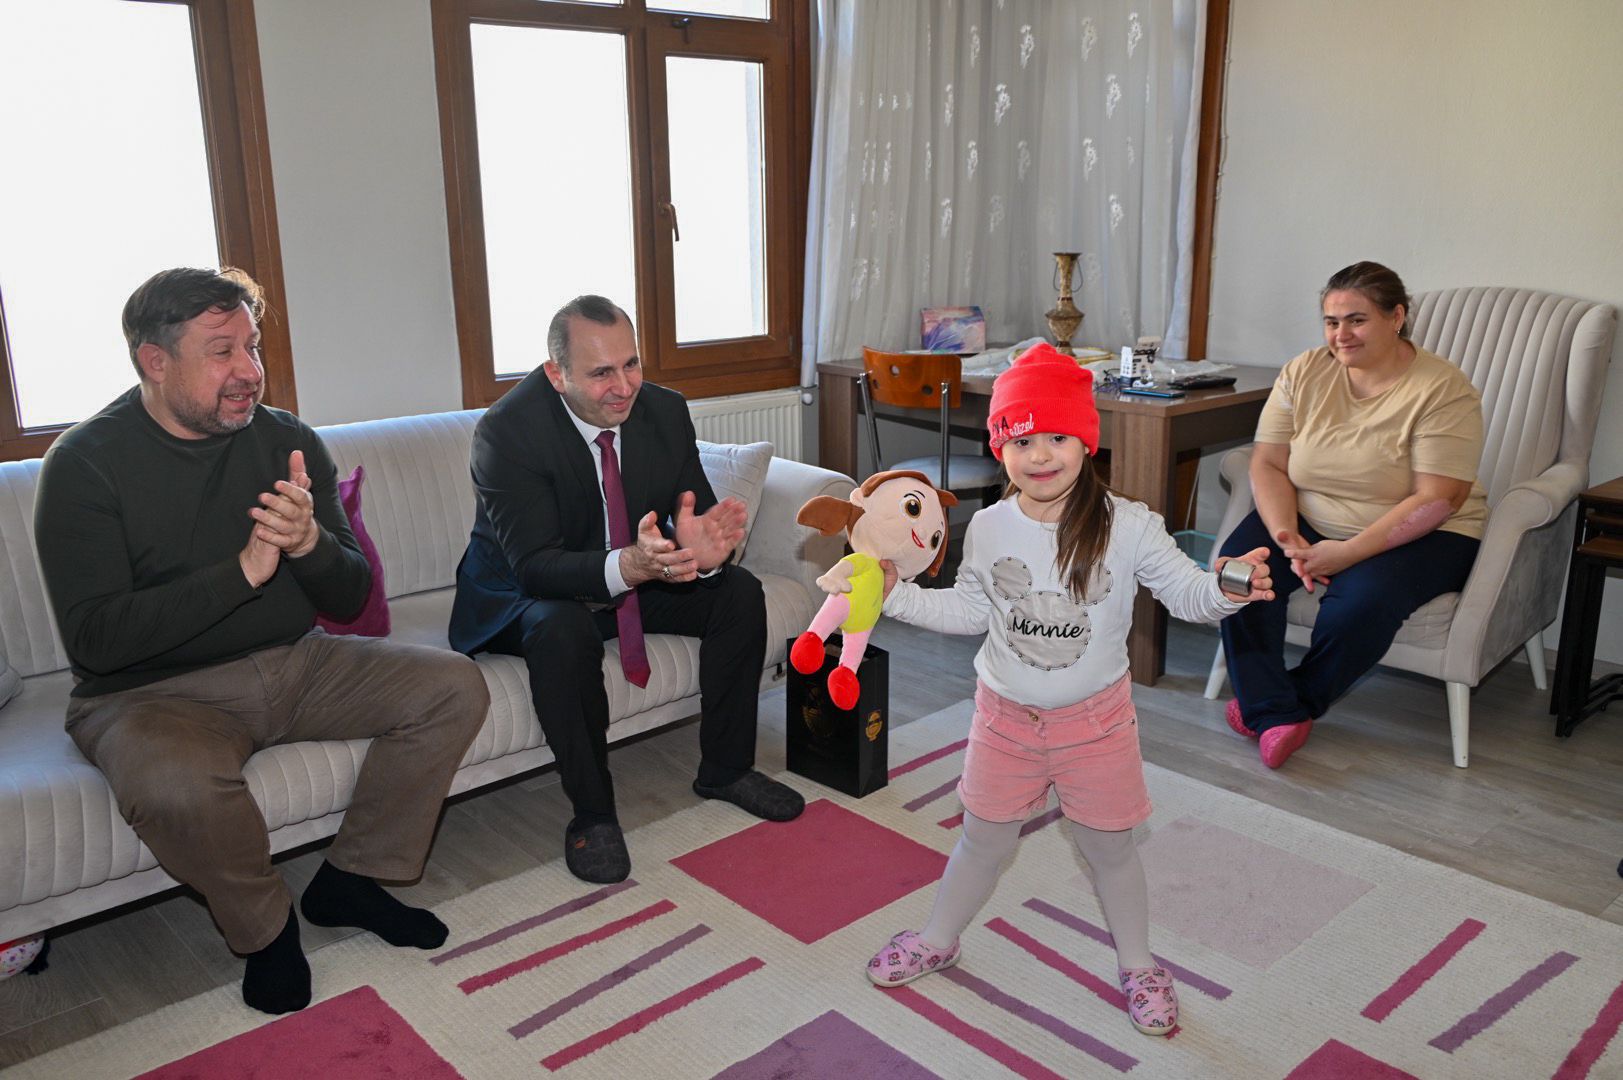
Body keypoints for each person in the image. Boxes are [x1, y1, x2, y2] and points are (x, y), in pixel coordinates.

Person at [32, 268, 490, 1016]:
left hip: (296, 663)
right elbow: (97, 641)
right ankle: (267, 932)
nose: (249, 371)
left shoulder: (288, 440)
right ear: (155, 361)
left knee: (454, 685)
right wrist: (241, 573)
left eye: (252, 346)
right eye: (222, 352)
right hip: (149, 696)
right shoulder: (85, 464)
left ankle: (350, 881)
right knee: (174, 784)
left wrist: (310, 543)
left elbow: (348, 596)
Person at [864, 344, 1274, 1036]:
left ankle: (1139, 965)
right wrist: (893, 594)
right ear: (1000, 447)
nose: (1039, 455)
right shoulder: (988, 526)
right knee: (981, 841)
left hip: (1096, 725)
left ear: (1086, 440)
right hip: (1004, 721)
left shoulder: (1129, 525)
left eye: (1056, 436)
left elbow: (1188, 594)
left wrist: (1227, 588)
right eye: (1021, 440)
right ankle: (938, 937)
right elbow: (969, 612)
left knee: (1110, 850)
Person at [448, 295, 804, 885]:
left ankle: (726, 770)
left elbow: (691, 515)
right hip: (524, 593)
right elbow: (535, 566)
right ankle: (593, 814)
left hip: (630, 572)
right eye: (601, 373)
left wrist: (701, 555)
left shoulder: (663, 411)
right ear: (556, 374)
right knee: (562, 629)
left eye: (631, 364)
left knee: (737, 592)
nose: (624, 387)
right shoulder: (508, 432)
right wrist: (633, 567)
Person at [1216, 262, 1487, 769]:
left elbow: (1439, 497)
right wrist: (1287, 536)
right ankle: (1274, 712)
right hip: (1312, 516)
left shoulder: (1443, 389)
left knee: (1357, 607)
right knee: (1238, 573)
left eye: (1357, 320)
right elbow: (1269, 462)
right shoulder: (1304, 371)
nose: (1341, 334)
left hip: (1427, 531)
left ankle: (1277, 707)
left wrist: (1346, 554)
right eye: (1331, 321)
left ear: (1396, 317)